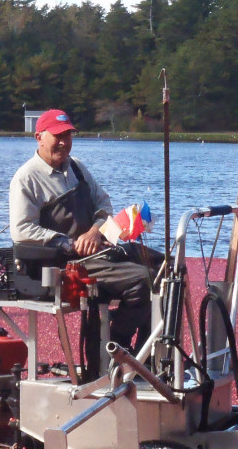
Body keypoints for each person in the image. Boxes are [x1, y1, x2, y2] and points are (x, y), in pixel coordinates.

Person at [9, 108, 156, 352]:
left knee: (167, 269)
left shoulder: (76, 167)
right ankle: (111, 347)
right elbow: (21, 230)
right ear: (39, 137)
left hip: (100, 249)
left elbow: (104, 205)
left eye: (68, 136)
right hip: (67, 263)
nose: (64, 143)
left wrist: (96, 231)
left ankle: (150, 355)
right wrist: (68, 242)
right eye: (58, 136)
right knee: (144, 280)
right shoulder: (26, 178)